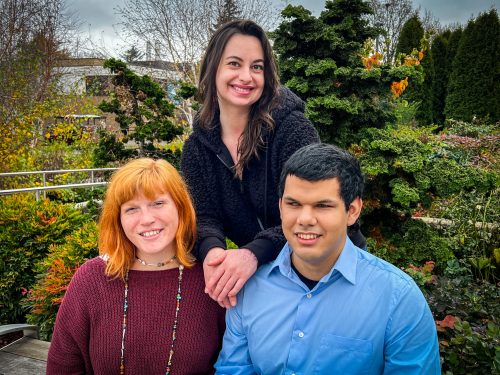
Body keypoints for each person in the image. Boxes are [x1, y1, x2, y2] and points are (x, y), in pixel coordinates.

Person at [181, 19, 365, 309]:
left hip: (327, 267)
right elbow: (204, 216)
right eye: (234, 64)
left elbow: (311, 209)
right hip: (270, 273)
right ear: (212, 69)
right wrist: (213, 254)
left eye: (257, 66)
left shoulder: (292, 129)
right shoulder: (197, 148)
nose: (246, 76)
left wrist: (253, 253)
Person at [215, 143, 441, 374]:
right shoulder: (250, 289)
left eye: (322, 206)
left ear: (352, 211)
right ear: (281, 207)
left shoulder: (398, 298)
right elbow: (233, 369)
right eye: (294, 204)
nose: (305, 219)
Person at [47, 158, 225, 375]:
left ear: (181, 207)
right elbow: (63, 367)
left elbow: (233, 365)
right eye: (132, 209)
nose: (146, 219)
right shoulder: (92, 279)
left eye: (158, 203)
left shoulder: (211, 278)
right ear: (118, 219)